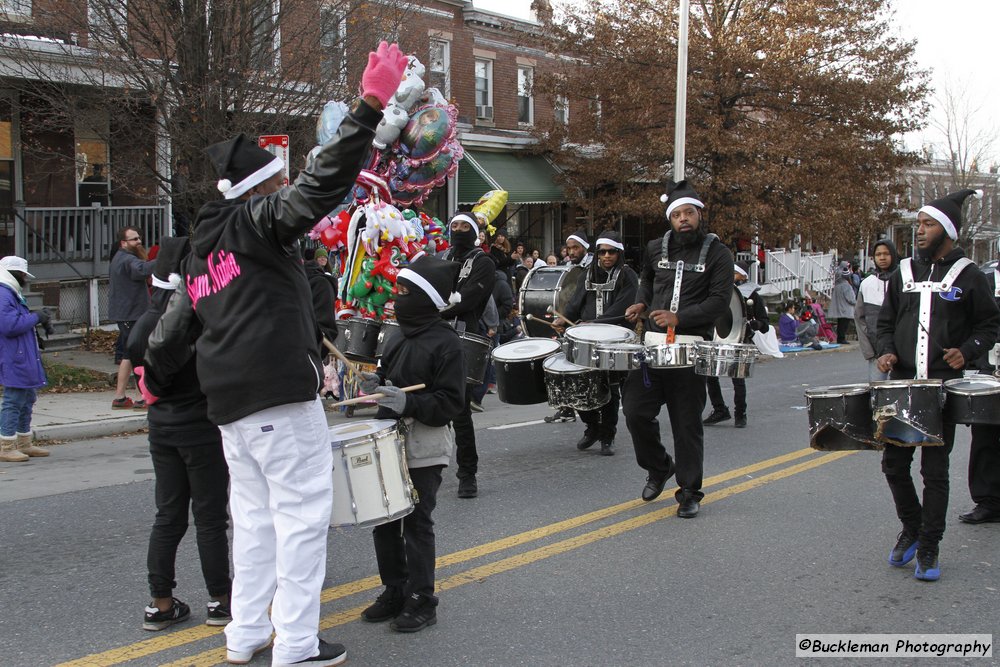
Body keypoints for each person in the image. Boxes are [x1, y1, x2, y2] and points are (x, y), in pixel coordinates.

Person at [142, 41, 408, 666]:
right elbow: (319, 187)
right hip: (277, 399)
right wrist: (369, 105)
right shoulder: (257, 223)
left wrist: (154, 377)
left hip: (230, 407)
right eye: (279, 179)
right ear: (262, 188)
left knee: (256, 524)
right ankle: (295, 644)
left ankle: (245, 636)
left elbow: (176, 322)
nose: (288, 185)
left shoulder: (203, 246)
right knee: (299, 523)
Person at [876, 188, 998, 582]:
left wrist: (968, 350)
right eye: (919, 224)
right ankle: (912, 527)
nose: (920, 232)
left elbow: (989, 324)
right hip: (902, 384)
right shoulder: (904, 272)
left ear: (947, 230)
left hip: (941, 385)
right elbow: (885, 322)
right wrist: (886, 351)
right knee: (894, 464)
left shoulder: (969, 275)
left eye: (928, 225)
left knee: (935, 470)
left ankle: (929, 544)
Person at [126, 237, 232, 632]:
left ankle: (160, 603)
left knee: (167, 516)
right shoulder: (199, 321)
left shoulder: (142, 326)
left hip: (161, 429)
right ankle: (221, 602)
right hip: (200, 428)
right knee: (209, 519)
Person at [356, 257, 466, 633]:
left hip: (425, 443)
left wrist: (410, 403)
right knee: (384, 520)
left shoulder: (447, 342)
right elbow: (389, 375)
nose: (396, 298)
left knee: (417, 522)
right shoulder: (398, 333)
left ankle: (422, 598)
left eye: (404, 292)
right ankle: (395, 588)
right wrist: (376, 387)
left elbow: (451, 403)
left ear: (423, 297)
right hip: (386, 437)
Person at [623, 180, 734, 518]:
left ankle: (689, 491)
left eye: (689, 213)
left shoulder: (719, 253)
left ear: (699, 214)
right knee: (635, 412)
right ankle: (659, 467)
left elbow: (719, 302)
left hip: (690, 347)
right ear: (669, 219)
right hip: (653, 346)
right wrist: (641, 302)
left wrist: (679, 317)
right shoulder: (656, 248)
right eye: (677, 214)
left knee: (686, 423)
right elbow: (646, 278)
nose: (683, 219)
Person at [553, 232, 637, 455]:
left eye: (611, 252)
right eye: (602, 252)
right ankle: (592, 428)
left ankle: (607, 435)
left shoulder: (628, 276)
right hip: (586, 337)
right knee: (579, 383)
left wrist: (595, 324)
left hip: (614, 339)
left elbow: (622, 307)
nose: (607, 256)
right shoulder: (589, 273)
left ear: (619, 253)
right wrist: (563, 317)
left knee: (609, 388)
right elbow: (575, 301)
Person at [439, 212, 496, 499]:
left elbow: (472, 298)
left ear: (474, 231)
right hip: (433, 336)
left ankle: (467, 474)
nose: (458, 230)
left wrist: (436, 311)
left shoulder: (484, 262)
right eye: (455, 226)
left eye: (464, 227)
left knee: (460, 412)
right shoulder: (442, 256)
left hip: (462, 339)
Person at [959, 256, 1000, 525]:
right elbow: (972, 324)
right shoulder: (985, 281)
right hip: (989, 371)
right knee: (985, 436)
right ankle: (988, 501)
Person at [704, 260, 769, 428]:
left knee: (738, 380)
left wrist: (755, 325)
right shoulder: (719, 291)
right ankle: (720, 410)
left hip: (740, 340)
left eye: (734, 273)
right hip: (718, 338)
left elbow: (765, 323)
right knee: (710, 376)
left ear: (743, 276)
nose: (730, 276)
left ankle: (741, 414)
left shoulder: (752, 294)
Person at [0, 256, 50, 462]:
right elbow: (9, 326)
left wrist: (35, 318)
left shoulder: (10, 292)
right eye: (23, 274)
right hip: (13, 355)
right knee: (14, 399)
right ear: (15, 273)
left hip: (20, 353)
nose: (25, 278)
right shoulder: (4, 293)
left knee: (27, 398)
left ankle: (23, 442)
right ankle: (6, 445)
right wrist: (37, 317)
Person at [544, 230, 594, 424]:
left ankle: (589, 411)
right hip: (568, 320)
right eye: (569, 248)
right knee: (563, 363)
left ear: (585, 248)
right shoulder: (568, 267)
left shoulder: (592, 268)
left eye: (576, 248)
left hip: (585, 323)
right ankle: (566, 408)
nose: (571, 252)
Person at [109, 225, 156, 409]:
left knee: (128, 354)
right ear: (123, 243)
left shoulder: (121, 258)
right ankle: (141, 396)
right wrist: (163, 261)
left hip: (127, 313)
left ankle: (120, 397)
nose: (139, 242)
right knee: (138, 354)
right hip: (131, 314)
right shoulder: (127, 259)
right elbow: (141, 270)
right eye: (134, 239)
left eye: (139, 238)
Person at [854, 239, 899, 381]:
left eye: (886, 253)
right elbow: (859, 318)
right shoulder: (866, 284)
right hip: (876, 352)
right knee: (878, 394)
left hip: (902, 351)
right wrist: (869, 350)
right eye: (878, 254)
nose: (882, 257)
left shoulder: (904, 280)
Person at [827, 260, 856, 344]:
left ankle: (840, 338)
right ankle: (842, 338)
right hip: (846, 308)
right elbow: (850, 299)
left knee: (840, 324)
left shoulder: (837, 285)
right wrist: (856, 302)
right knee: (844, 325)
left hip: (840, 307)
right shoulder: (846, 286)